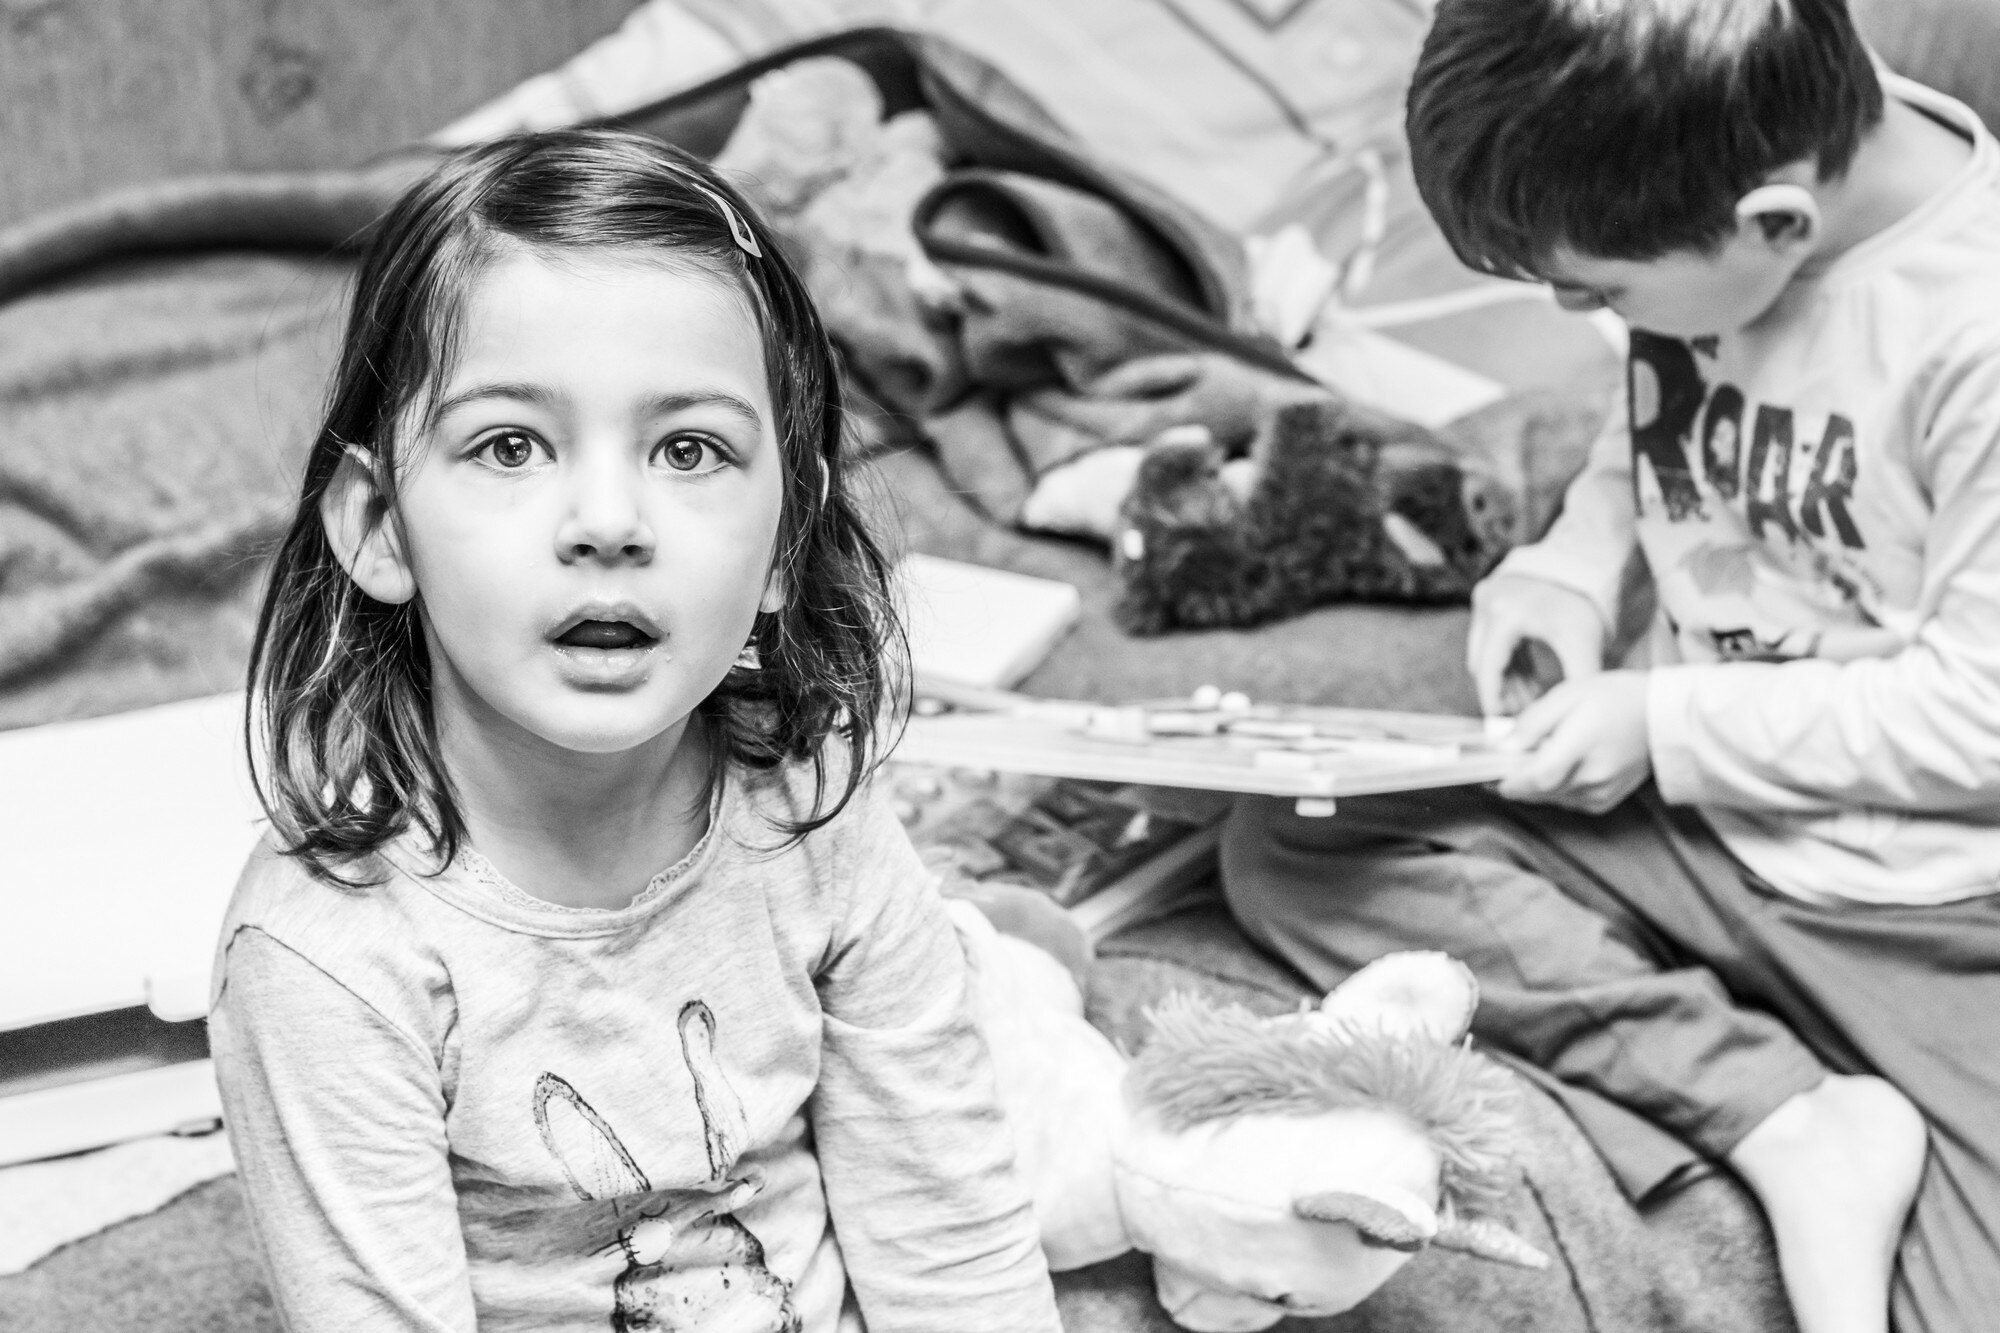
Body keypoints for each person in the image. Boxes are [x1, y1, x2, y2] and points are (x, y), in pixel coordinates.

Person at [1220, 3, 2000, 1332]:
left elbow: (1978, 716)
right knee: (1291, 841)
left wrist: (1661, 721)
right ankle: (1789, 1121)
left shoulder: (1968, 335)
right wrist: (1570, 573)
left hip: (1924, 903)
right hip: (1682, 820)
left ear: (1775, 225)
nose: (1580, 313)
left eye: (1598, 291)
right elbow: (1656, 435)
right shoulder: (1710, 152)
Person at [207, 128, 1060, 1333]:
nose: (608, 521)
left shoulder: (811, 806)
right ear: (381, 526)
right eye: (510, 445)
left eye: (687, 449)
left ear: (785, 539)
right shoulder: (325, 957)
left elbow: (952, 1243)